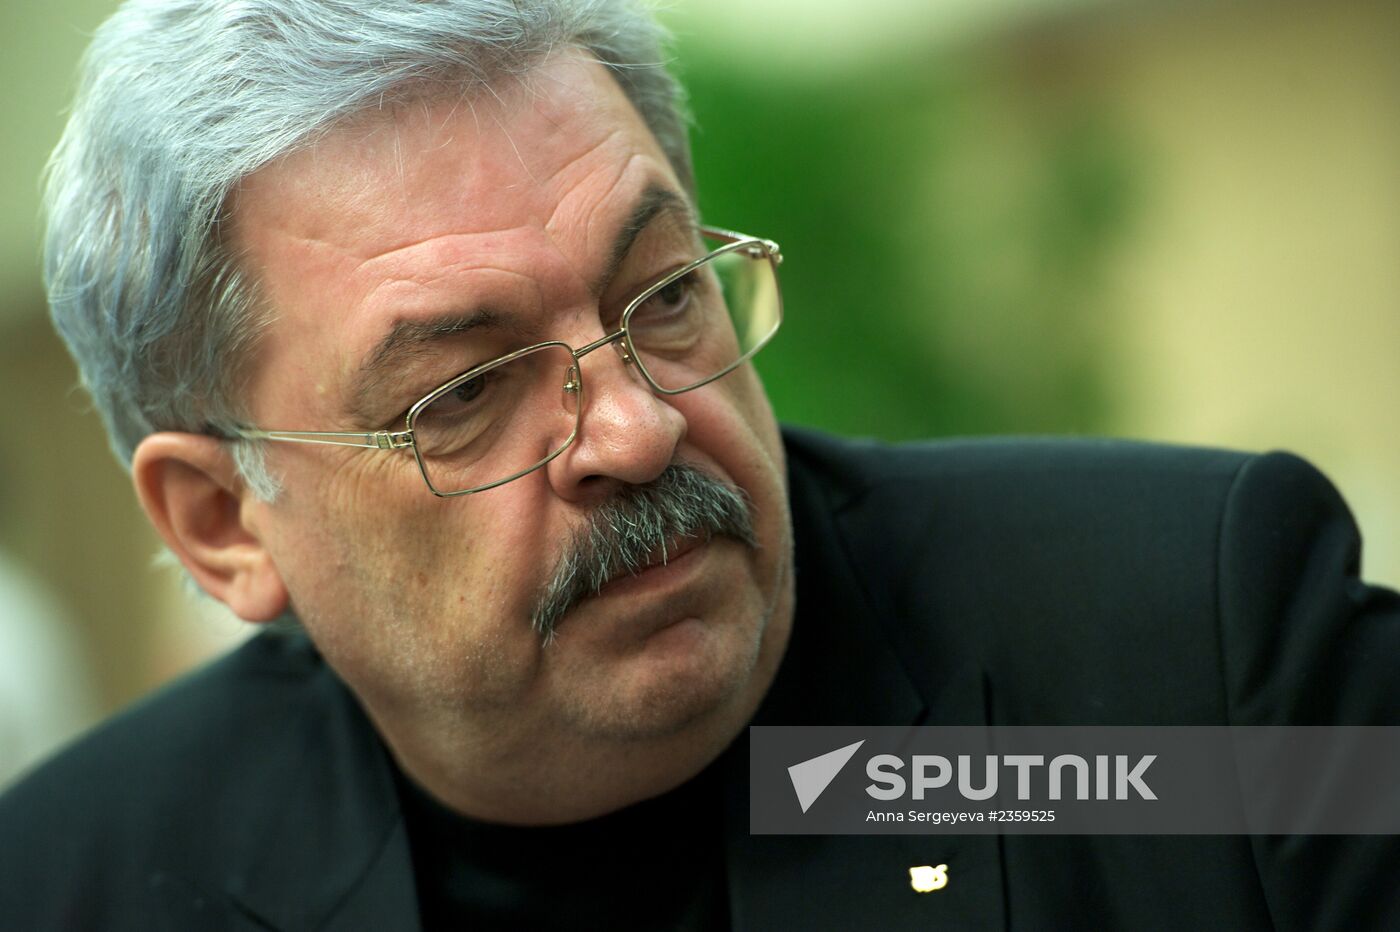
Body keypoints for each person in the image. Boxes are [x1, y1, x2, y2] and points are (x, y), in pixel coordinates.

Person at [2, 1, 1396, 929]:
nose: (638, 428)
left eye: (663, 297)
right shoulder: (76, 884)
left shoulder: (1187, 663)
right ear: (224, 521)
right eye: (470, 390)